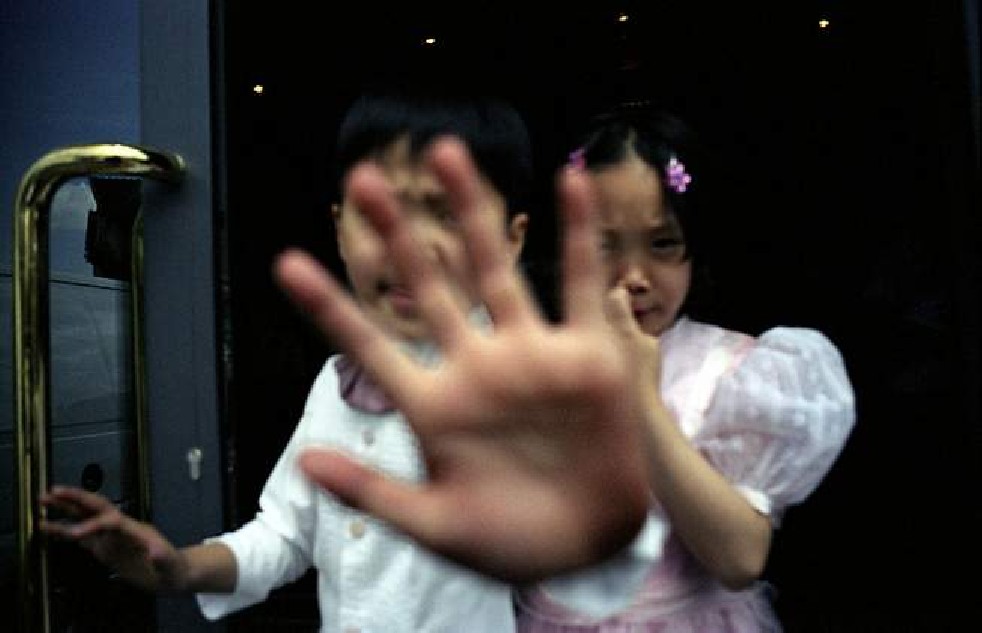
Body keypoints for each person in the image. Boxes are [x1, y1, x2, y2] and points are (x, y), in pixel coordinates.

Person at [41, 90, 652, 632]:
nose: (409, 244)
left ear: (513, 237)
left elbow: (591, 573)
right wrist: (176, 568)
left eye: (446, 213)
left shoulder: (526, 390)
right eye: (381, 211)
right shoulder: (335, 385)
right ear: (339, 227)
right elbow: (284, 536)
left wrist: (591, 533)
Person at [513, 106, 857, 632]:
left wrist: (641, 398)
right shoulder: (529, 366)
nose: (634, 276)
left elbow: (739, 558)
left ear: (695, 247)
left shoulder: (734, 372)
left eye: (662, 243)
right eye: (605, 245)